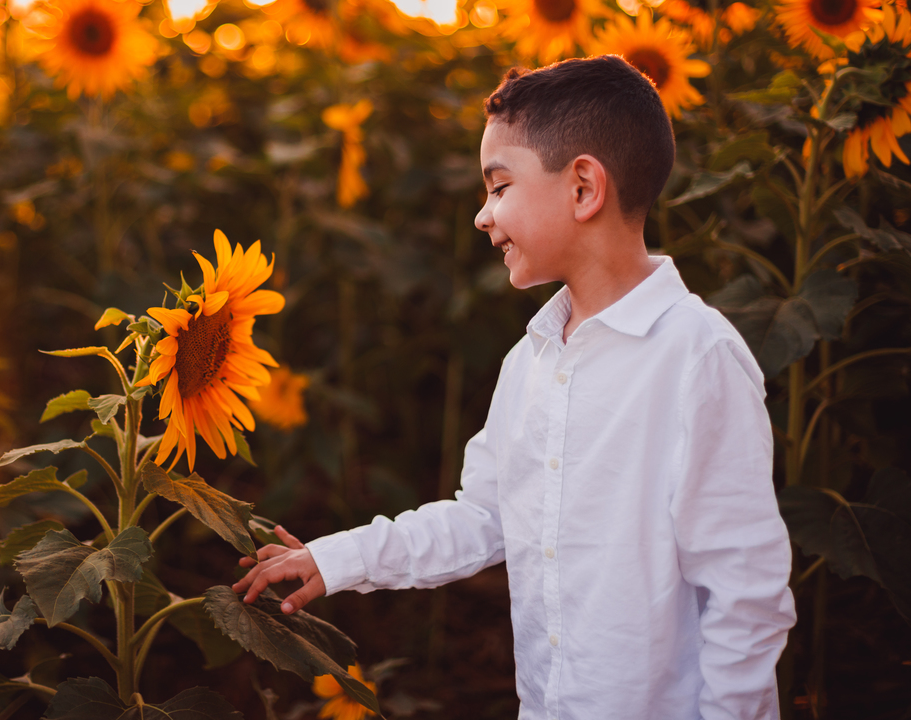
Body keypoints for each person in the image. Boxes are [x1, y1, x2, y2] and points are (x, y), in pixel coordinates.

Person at [232, 55, 796, 719]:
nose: (482, 216)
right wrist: (341, 559)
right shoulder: (532, 360)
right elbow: (484, 517)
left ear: (584, 187)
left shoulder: (697, 359)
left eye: (499, 188)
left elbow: (745, 596)